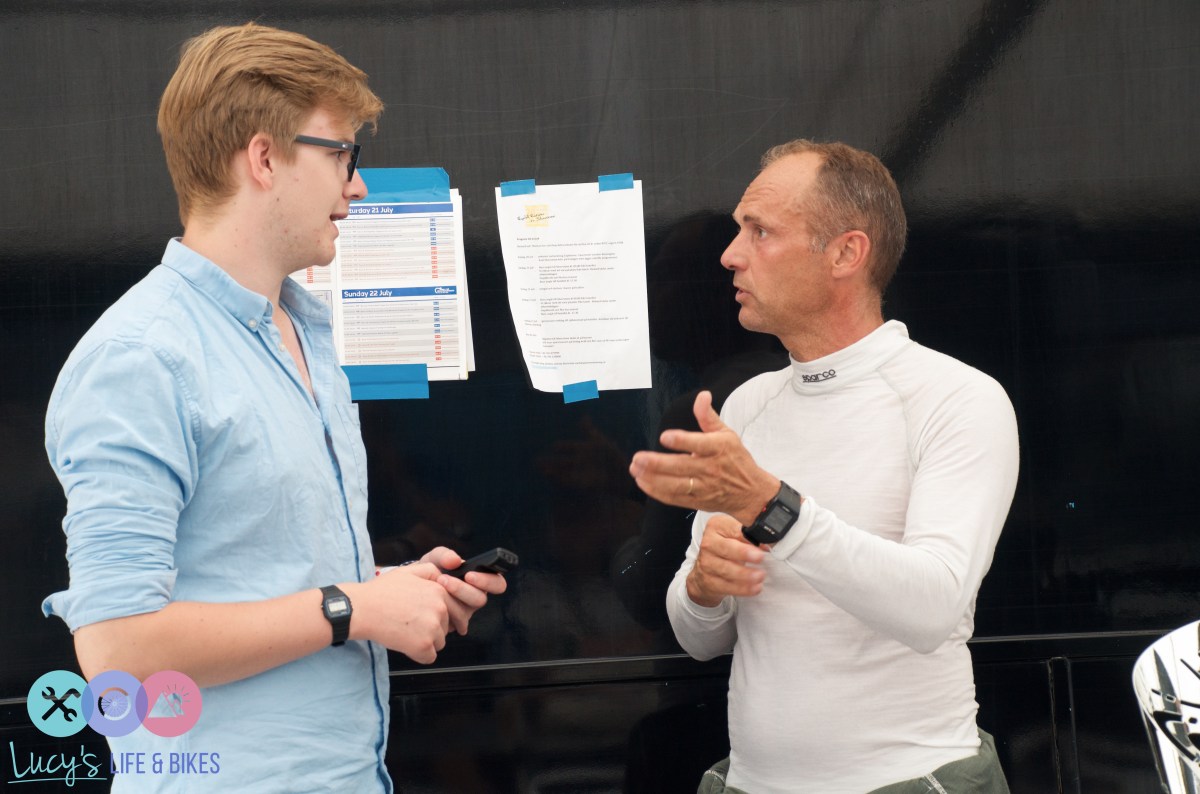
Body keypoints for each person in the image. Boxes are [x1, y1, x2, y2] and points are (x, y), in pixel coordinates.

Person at [41, 23, 506, 792]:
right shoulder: (140, 358)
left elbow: (258, 578)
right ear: (264, 158)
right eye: (343, 154)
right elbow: (117, 649)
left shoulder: (304, 332)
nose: (356, 184)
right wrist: (353, 606)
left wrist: (393, 592)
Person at [628, 139, 1019, 793]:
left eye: (760, 231)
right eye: (736, 232)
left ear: (846, 253)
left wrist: (768, 508)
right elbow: (698, 639)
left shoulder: (958, 398)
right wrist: (704, 586)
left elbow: (932, 606)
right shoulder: (747, 406)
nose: (730, 255)